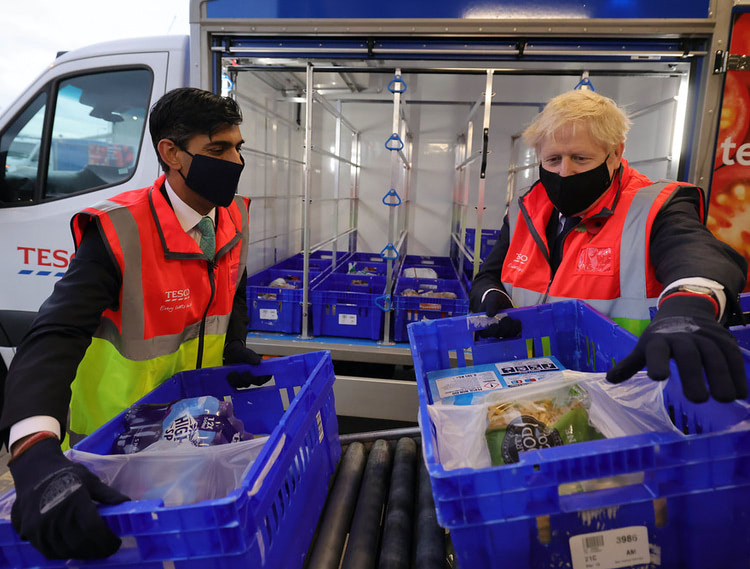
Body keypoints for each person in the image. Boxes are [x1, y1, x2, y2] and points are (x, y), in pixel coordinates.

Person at [0, 87, 271, 560]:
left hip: (191, 432)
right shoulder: (120, 231)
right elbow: (54, 334)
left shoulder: (233, 217)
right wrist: (32, 449)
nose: (235, 161)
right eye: (217, 149)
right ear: (171, 153)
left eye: (238, 147)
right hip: (115, 447)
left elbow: (234, 290)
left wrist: (233, 350)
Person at [470, 88, 748, 404]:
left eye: (580, 158)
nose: (564, 172)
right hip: (532, 392)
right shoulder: (526, 209)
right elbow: (488, 275)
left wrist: (690, 305)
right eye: (553, 159)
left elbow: (696, 252)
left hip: (621, 396)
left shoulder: (653, 208)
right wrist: (490, 295)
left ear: (615, 154)